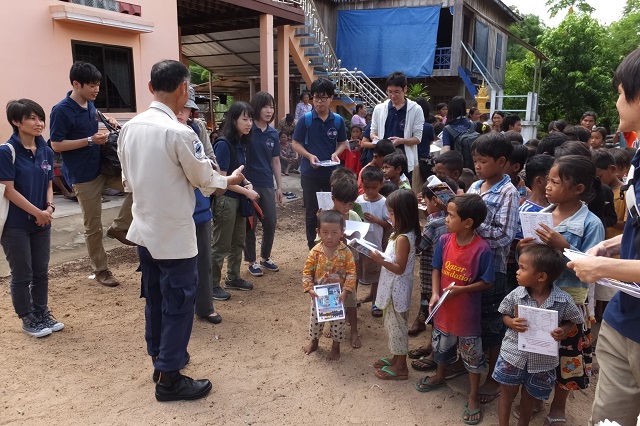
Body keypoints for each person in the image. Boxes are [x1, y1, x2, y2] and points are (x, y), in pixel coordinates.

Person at [117, 60, 244, 401]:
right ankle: (170, 378)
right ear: (184, 89)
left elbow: (127, 181)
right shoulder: (179, 132)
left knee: (156, 298)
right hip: (174, 234)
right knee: (179, 302)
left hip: (144, 228)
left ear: (150, 88)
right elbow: (205, 181)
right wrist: (229, 180)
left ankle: (160, 361)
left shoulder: (129, 128)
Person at [565, 49, 640, 426]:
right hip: (623, 317)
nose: (616, 100)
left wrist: (602, 266)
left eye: (620, 91)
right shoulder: (638, 153)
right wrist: (618, 243)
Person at [518, 155, 604, 425]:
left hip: (570, 302)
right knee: (536, 351)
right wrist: (524, 248)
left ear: (578, 189)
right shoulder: (541, 215)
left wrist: (561, 244)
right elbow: (533, 257)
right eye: (549, 180)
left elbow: (592, 266)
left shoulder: (591, 224)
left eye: (556, 182)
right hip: (538, 297)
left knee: (567, 357)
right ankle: (532, 398)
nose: (548, 186)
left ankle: (558, 406)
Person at [50, 61, 134, 288]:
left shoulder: (90, 107)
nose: (97, 89)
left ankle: (119, 227)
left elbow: (92, 124)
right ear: (76, 84)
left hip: (104, 168)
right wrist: (89, 140)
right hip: (83, 176)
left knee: (139, 187)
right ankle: (101, 270)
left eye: (98, 84)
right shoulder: (61, 110)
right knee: (93, 226)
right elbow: (56, 145)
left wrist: (108, 120)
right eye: (92, 85)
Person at [416, 194, 494, 426]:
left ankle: (472, 395)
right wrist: (436, 293)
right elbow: (436, 267)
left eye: (451, 215)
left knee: (472, 355)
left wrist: (463, 289)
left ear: (468, 222)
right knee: (442, 345)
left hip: (467, 314)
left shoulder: (482, 249)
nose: (446, 219)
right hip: (444, 309)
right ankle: (441, 374)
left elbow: (487, 281)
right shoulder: (444, 241)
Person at [495, 244, 583, 426]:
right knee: (507, 394)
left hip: (543, 361)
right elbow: (503, 313)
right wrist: (511, 322)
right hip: (513, 356)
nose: (517, 272)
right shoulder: (516, 295)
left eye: (523, 268)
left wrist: (564, 330)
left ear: (542, 276)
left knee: (530, 398)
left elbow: (574, 319)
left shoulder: (563, 300)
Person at [1, 99, 64, 338]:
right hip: (15, 225)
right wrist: (37, 212)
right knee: (22, 273)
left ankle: (42, 312)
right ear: (16, 122)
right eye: (32, 118)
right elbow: (9, 189)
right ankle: (27, 317)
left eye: (40, 118)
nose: (39, 123)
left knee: (41, 271)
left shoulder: (45, 150)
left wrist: (48, 207)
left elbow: (49, 183)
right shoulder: (7, 152)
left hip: (42, 221)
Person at [466, 133, 520, 405]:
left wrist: (472, 225)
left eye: (482, 161)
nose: (477, 166)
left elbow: (504, 236)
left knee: (490, 322)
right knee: (469, 319)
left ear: (501, 162)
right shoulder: (476, 185)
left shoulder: (509, 192)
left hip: (491, 268)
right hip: (466, 264)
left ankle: (494, 376)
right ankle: (467, 364)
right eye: (475, 160)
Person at [175, 88, 223, 325]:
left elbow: (212, 160)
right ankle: (179, 310)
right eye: (180, 108)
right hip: (173, 208)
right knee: (176, 263)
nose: (183, 113)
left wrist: (209, 167)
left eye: (188, 109)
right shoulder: (161, 131)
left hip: (200, 204)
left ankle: (205, 306)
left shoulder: (197, 128)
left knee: (203, 256)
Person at [291, 77, 348, 249]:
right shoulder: (306, 120)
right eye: (316, 97)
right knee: (311, 212)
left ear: (331, 98)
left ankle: (333, 245)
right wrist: (309, 156)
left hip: (331, 175)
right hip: (310, 173)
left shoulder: (337, 120)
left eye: (323, 97)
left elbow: (343, 143)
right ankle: (313, 249)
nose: (319, 101)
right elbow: (295, 143)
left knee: (333, 210)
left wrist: (336, 155)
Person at [369, 189, 420, 381]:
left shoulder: (403, 238)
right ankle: (395, 358)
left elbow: (399, 267)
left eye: (391, 213)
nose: (389, 217)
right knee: (392, 326)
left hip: (396, 290)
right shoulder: (400, 234)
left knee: (398, 327)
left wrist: (379, 259)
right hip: (393, 288)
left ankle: (401, 367)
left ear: (403, 214)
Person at [211, 102, 258, 295]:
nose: (249, 123)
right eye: (244, 119)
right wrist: (247, 192)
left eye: (250, 119)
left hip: (238, 200)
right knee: (221, 244)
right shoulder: (223, 144)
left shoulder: (241, 143)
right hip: (226, 200)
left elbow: (237, 172)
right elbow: (221, 180)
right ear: (234, 120)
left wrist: (247, 184)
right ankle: (212, 285)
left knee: (238, 241)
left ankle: (232, 277)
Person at [301, 210, 356, 361]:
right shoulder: (315, 252)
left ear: (342, 232)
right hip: (318, 295)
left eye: (334, 232)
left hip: (338, 296)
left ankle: (336, 347)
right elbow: (307, 271)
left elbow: (351, 273)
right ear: (318, 232)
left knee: (338, 323)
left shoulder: (346, 252)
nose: (330, 236)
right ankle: (314, 342)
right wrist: (309, 288)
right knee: (315, 321)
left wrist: (346, 291)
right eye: (325, 232)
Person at [410, 177, 459, 340]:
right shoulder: (453, 221)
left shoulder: (433, 225)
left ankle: (433, 349)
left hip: (431, 278)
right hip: (448, 277)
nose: (425, 205)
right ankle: (432, 346)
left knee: (434, 313)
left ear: (435, 200)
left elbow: (419, 247)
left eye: (426, 201)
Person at [244, 92, 282, 278]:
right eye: (265, 106)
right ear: (256, 108)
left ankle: (265, 257)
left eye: (272, 107)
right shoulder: (247, 130)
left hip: (267, 183)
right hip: (248, 184)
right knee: (250, 224)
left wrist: (279, 187)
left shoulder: (273, 133)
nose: (269, 110)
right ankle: (252, 261)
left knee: (271, 222)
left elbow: (275, 161)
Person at [370, 71, 424, 180]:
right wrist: (379, 140)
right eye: (389, 92)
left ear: (405, 89)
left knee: (403, 192)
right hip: (383, 162)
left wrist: (401, 141)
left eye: (397, 92)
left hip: (404, 161)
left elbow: (417, 138)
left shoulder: (415, 109)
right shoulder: (379, 108)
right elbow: (372, 133)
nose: (392, 96)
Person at [356, 166, 392, 318]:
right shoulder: (358, 201)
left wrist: (377, 220)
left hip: (375, 245)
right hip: (358, 245)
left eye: (374, 188)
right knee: (356, 273)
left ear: (381, 185)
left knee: (375, 274)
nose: (370, 191)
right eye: (367, 187)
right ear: (361, 184)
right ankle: (352, 299)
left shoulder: (384, 202)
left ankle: (375, 301)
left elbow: (389, 224)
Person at [413, 97, 436, 192]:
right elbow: (431, 140)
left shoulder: (407, 126)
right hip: (424, 162)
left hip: (411, 162)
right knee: (432, 187)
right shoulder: (428, 127)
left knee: (415, 190)